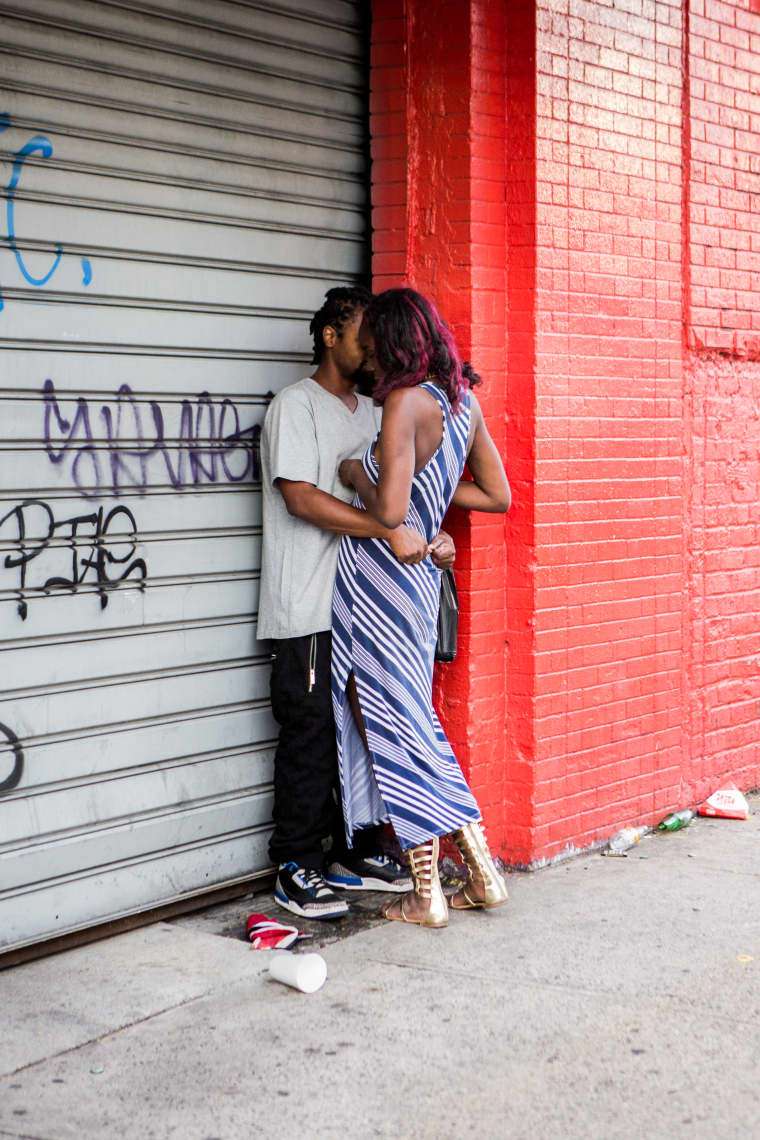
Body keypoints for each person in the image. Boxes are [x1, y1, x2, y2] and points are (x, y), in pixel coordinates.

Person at [257, 286, 455, 919]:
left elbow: (397, 496)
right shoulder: (296, 405)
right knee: (311, 734)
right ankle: (295, 864)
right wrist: (387, 529)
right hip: (307, 604)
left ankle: (356, 847)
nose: (373, 346)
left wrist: (431, 536)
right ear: (330, 336)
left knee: (361, 736)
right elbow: (300, 498)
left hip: (365, 607)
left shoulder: (377, 411)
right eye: (361, 333)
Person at [332, 287, 511, 928]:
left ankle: (425, 892)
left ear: (396, 340)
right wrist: (435, 505)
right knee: (415, 718)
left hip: (378, 580)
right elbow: (497, 494)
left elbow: (385, 512)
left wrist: (356, 473)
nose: (368, 353)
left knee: (393, 724)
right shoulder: (462, 405)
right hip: (417, 584)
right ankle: (481, 870)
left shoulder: (405, 403)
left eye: (374, 340)